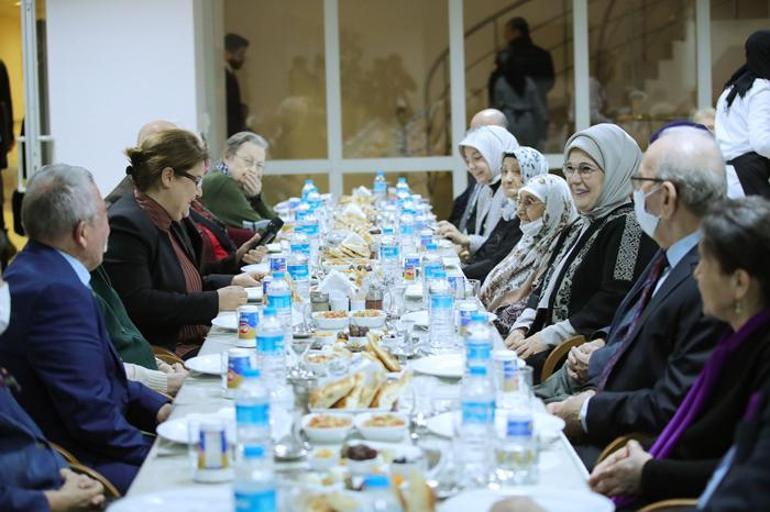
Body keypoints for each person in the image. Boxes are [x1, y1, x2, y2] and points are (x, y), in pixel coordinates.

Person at [541, 126, 727, 469]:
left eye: (640, 180)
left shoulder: (707, 279)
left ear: (667, 198)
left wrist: (585, 408)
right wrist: (598, 345)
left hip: (626, 443)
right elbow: (631, 322)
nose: (634, 191)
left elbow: (671, 403)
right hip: (599, 394)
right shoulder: (668, 251)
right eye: (570, 168)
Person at [588, 197, 770, 508]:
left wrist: (649, 472)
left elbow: (745, 475)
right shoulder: (735, 340)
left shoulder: (756, 355)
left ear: (739, 283)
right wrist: (646, 463)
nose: (695, 274)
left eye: (704, 263)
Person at [0, 164, 171, 494]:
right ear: (82, 232)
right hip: (82, 464)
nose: (109, 226)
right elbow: (92, 419)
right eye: (104, 216)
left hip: (91, 443)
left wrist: (161, 408)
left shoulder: (39, 267)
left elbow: (107, 377)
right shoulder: (57, 293)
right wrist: (160, 457)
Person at [505, 124, 657, 380]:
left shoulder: (630, 227)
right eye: (570, 168)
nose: (574, 179)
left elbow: (613, 301)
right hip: (538, 339)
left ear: (616, 171)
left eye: (586, 169)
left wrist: (546, 337)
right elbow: (544, 283)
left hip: (573, 358)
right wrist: (521, 327)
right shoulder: (580, 221)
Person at [105, 129, 256, 357]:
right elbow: (140, 305)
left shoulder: (172, 215)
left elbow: (188, 283)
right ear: (168, 177)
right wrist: (215, 302)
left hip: (198, 337)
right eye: (196, 180)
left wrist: (234, 280)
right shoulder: (126, 224)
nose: (199, 192)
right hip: (170, 353)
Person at [480, 173, 576, 335]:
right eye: (519, 202)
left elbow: (531, 306)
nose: (519, 211)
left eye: (529, 203)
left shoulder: (562, 248)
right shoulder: (528, 240)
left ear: (553, 206)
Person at [461, 146, 550, 281]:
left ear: (534, 175)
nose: (507, 179)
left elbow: (498, 264)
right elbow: (488, 250)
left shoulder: (531, 219)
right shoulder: (510, 210)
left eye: (517, 172)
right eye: (504, 171)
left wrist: (461, 272)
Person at [436, 125, 518, 266]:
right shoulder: (485, 188)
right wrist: (465, 244)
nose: (471, 166)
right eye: (468, 161)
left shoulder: (511, 192)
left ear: (497, 154)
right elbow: (486, 240)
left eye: (477, 158)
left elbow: (498, 248)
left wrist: (466, 240)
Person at [714, 29, 770, 198]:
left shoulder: (732, 88)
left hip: (727, 178)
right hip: (749, 179)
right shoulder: (762, 89)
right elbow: (762, 142)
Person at [447, 108, 511, 230]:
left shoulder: (513, 187)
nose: (471, 166)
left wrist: (466, 241)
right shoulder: (486, 182)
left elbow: (498, 243)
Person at [201, 131, 277, 230]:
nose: (253, 170)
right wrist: (257, 199)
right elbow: (265, 232)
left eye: (259, 165)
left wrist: (256, 198)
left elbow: (275, 226)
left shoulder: (232, 182)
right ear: (227, 157)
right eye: (248, 161)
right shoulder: (223, 182)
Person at [491, 54, 548, 148]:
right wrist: (544, 118)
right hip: (528, 120)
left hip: (509, 119)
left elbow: (496, 105)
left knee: (510, 148)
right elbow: (537, 104)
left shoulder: (501, 82)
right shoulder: (528, 82)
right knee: (529, 149)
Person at [225, 33, 249, 136]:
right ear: (227, 53)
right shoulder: (224, 75)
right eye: (240, 54)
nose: (242, 59)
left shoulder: (229, 73)